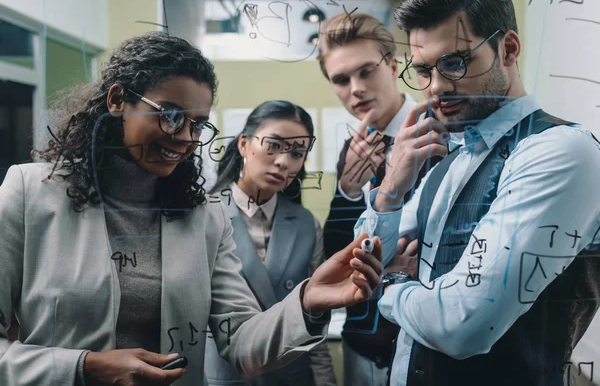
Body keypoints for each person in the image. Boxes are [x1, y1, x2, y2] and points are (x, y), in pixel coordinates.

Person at [0, 31, 384, 386]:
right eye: (169, 115)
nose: (185, 137)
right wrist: (84, 368)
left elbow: (241, 342)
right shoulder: (31, 193)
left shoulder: (203, 216)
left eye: (198, 125)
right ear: (117, 100)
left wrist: (307, 301)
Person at [354, 0, 600, 385]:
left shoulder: (560, 152)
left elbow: (461, 325)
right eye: (423, 69)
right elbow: (361, 257)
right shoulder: (447, 161)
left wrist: (390, 285)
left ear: (508, 49)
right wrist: (391, 191)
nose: (435, 87)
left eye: (454, 62)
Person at [317, 13, 436, 384]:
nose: (355, 88)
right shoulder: (351, 150)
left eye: (366, 71)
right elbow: (336, 253)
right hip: (361, 346)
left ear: (394, 65)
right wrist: (349, 189)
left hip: (423, 344)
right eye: (341, 79)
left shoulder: (439, 131)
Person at [204, 100, 337, 386]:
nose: (283, 162)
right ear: (243, 145)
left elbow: (316, 316)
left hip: (292, 375)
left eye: (297, 154)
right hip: (230, 375)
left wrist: (325, 381)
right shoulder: (203, 214)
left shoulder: (305, 224)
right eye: (274, 145)